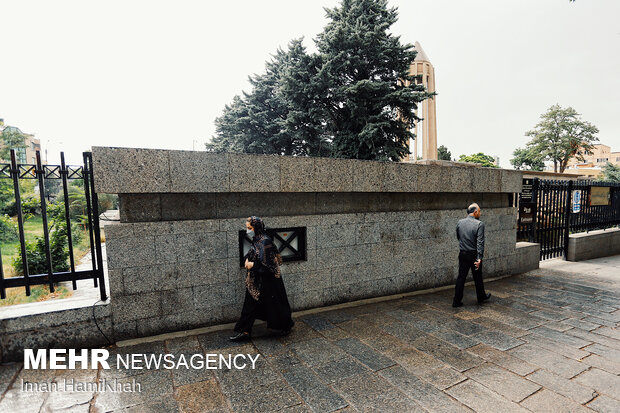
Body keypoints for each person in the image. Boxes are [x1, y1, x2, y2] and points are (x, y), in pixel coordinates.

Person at [229, 216, 294, 341]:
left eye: (249, 228)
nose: (247, 230)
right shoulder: (258, 240)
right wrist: (248, 259)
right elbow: (255, 254)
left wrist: (252, 264)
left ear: (256, 228)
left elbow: (268, 264)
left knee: (274, 304)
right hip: (258, 279)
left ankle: (285, 326)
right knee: (253, 304)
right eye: (247, 228)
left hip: (267, 281)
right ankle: (245, 331)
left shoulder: (264, 241)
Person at [452, 203, 491, 308]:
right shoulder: (479, 224)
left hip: (463, 253)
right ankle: (481, 296)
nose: (480, 213)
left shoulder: (460, 222)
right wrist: (479, 258)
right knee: (477, 276)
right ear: (475, 212)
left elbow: (458, 236)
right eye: (479, 210)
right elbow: (480, 242)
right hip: (473, 254)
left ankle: (456, 301)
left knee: (461, 277)